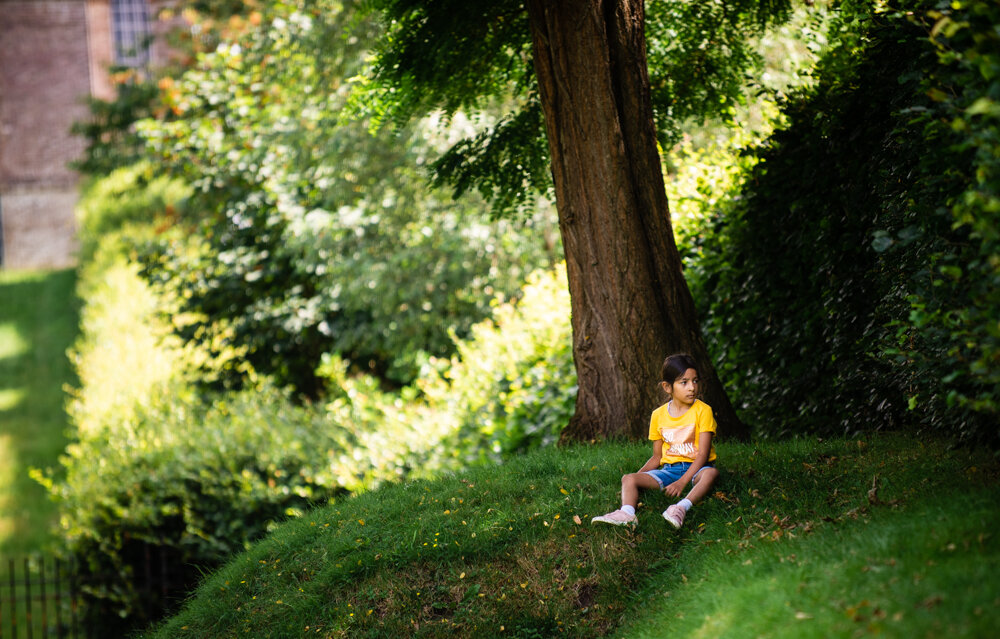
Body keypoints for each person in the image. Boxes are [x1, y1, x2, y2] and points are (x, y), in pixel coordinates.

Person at [592, 353, 719, 529]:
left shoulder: (703, 411)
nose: (692, 387)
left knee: (711, 474)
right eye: (684, 382)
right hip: (669, 470)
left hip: (697, 469)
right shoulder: (658, 415)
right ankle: (627, 513)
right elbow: (656, 457)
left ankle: (680, 508)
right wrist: (637, 480)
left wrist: (682, 482)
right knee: (628, 478)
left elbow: (703, 455)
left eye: (695, 381)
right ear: (667, 387)